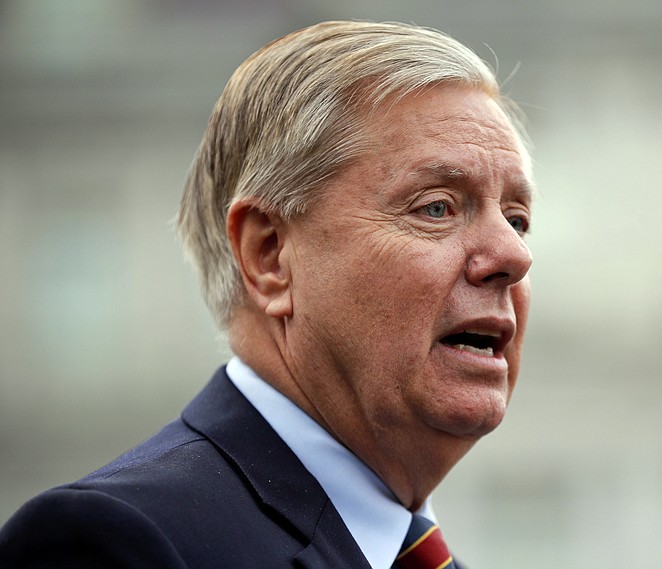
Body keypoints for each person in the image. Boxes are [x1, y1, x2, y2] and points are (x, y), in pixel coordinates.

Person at [0, 20, 534, 569]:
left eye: (517, 220)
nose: (515, 257)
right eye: (437, 207)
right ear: (270, 256)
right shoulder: (109, 544)